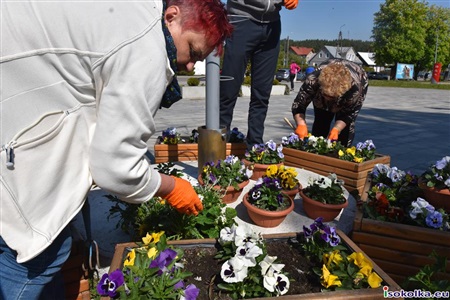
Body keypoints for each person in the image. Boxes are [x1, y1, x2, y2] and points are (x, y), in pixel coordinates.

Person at [0, 1, 232, 299]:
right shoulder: (147, 46)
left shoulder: (130, 9)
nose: (189, 65)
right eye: (194, 51)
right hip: (13, 145)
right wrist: (171, 187)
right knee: (38, 257)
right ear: (172, 16)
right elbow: (115, 168)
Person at [220, 0, 298, 149]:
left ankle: (254, 147)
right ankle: (218, 148)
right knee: (228, 91)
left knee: (262, 94)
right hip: (241, 20)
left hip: (272, 25)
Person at [292, 58, 368, 147]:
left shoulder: (356, 88)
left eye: (332, 97)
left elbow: (348, 114)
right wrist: (301, 124)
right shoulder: (313, 79)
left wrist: (337, 129)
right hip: (320, 99)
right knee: (320, 125)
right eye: (327, 95)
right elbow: (299, 104)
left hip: (347, 95)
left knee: (344, 134)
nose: (329, 100)